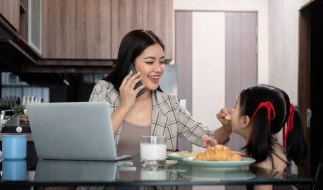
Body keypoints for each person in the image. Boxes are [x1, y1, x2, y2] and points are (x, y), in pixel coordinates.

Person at [89, 29, 232, 157]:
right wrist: (124, 106)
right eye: (150, 62)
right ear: (130, 65)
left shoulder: (169, 104)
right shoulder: (104, 91)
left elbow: (211, 139)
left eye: (162, 62)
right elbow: (92, 143)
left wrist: (227, 127)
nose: (159, 69)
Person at [204, 84, 307, 190]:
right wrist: (217, 150)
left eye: (235, 106)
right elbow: (242, 157)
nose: (230, 110)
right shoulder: (269, 149)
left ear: (245, 121)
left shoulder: (264, 163)